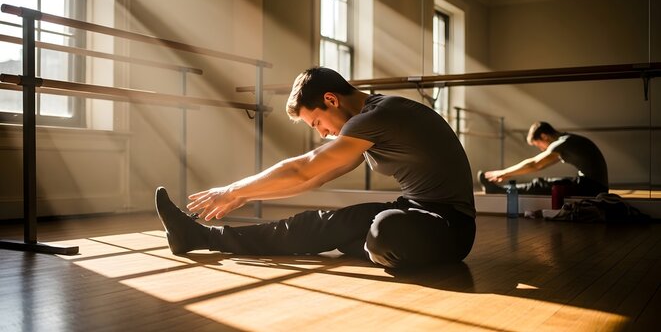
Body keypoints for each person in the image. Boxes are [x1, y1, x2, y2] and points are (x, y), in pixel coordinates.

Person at [155, 66, 476, 269]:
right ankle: (201, 237)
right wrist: (247, 196)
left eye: (318, 122)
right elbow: (313, 178)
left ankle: (369, 244)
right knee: (318, 223)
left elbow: (306, 167)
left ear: (331, 99)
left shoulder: (379, 116)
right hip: (413, 210)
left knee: (384, 232)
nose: (322, 133)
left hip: (449, 226)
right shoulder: (368, 121)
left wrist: (233, 189)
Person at [478, 121, 608, 196]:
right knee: (543, 183)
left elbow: (535, 164)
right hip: (592, 185)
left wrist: (502, 173)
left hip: (592, 189)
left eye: (538, 144)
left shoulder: (562, 143)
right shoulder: (567, 140)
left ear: (544, 136)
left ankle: (499, 191)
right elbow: (539, 164)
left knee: (541, 185)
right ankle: (500, 189)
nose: (541, 149)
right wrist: (508, 174)